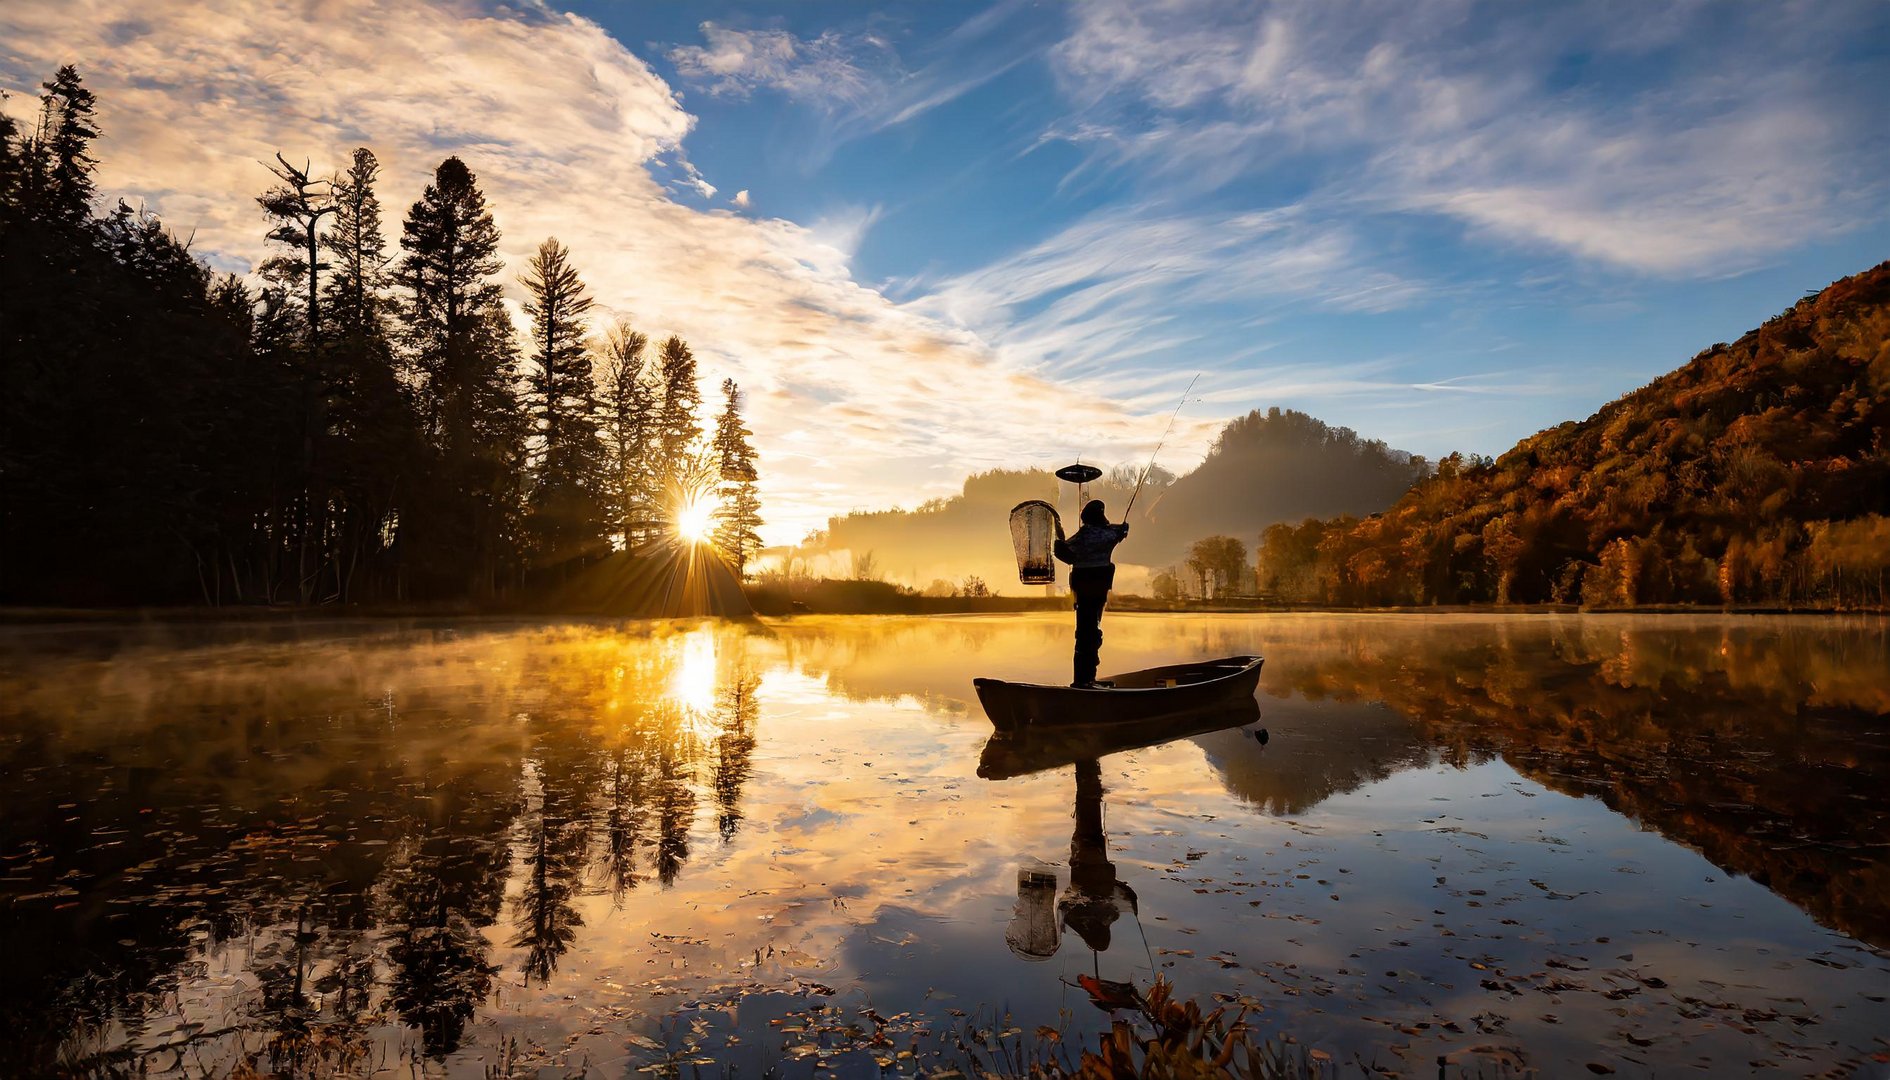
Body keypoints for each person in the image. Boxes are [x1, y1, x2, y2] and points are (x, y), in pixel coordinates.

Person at [1054, 500, 1129, 688]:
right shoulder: (1110, 533)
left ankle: (1084, 679)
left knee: (1085, 634)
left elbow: (1064, 551)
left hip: (1083, 592)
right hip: (1098, 591)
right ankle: (1085, 681)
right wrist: (1124, 528)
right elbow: (1120, 532)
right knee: (1091, 634)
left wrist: (1059, 543)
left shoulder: (1083, 535)